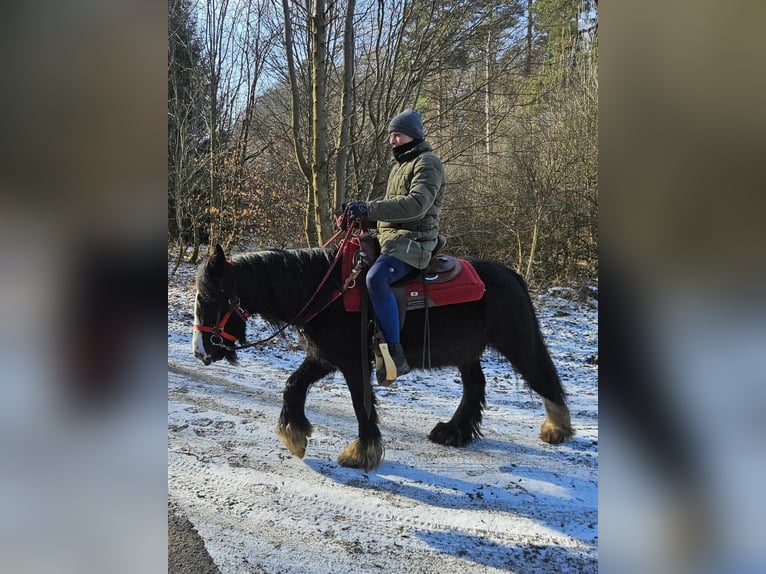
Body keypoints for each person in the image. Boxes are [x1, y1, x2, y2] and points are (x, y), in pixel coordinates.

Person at [346, 109, 446, 384]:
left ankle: (394, 353)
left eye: (397, 135)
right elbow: (391, 204)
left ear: (412, 136)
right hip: (390, 238)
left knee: (376, 279)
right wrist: (359, 214)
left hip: (413, 241)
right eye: (391, 135)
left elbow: (416, 205)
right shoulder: (399, 166)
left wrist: (369, 209)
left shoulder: (428, 163)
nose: (392, 141)